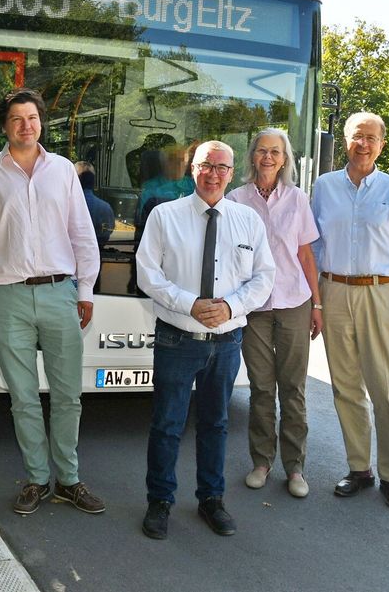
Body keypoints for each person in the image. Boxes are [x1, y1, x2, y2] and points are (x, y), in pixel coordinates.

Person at [0, 88, 105, 516]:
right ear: (5, 126)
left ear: (42, 123)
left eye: (33, 118)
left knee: (67, 396)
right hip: (7, 298)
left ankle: (69, 480)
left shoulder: (62, 171)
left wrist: (85, 289)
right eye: (18, 118)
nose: (26, 125)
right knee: (22, 397)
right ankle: (38, 480)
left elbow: (82, 232)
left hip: (61, 292)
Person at [136, 141, 275, 539]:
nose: (213, 174)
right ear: (191, 170)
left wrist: (231, 307)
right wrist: (189, 304)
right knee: (167, 424)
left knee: (216, 424)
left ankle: (211, 499)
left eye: (221, 167)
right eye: (205, 165)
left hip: (227, 342)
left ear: (232, 173)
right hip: (177, 338)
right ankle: (159, 501)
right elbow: (148, 273)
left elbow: (265, 276)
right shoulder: (165, 216)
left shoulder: (248, 221)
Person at [311, 111, 389, 511]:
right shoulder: (324, 187)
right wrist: (315, 300)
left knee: (386, 387)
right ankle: (359, 469)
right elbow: (313, 248)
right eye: (356, 137)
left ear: (382, 143)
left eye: (371, 138)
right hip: (335, 292)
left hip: (380, 294)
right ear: (344, 141)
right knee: (345, 387)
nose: (363, 144)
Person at [226, 128, 322, 499]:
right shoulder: (236, 199)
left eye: (276, 152)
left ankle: (295, 467)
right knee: (261, 388)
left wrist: (316, 304)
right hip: (253, 308)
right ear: (252, 156)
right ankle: (262, 461)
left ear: (285, 159)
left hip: (294, 302)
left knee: (293, 388)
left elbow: (305, 255)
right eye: (262, 150)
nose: (268, 157)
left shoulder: (297, 199)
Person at [74, 161, 115, 248]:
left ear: (76, 179)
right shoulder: (106, 208)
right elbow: (108, 232)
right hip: (97, 256)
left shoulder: (65, 206)